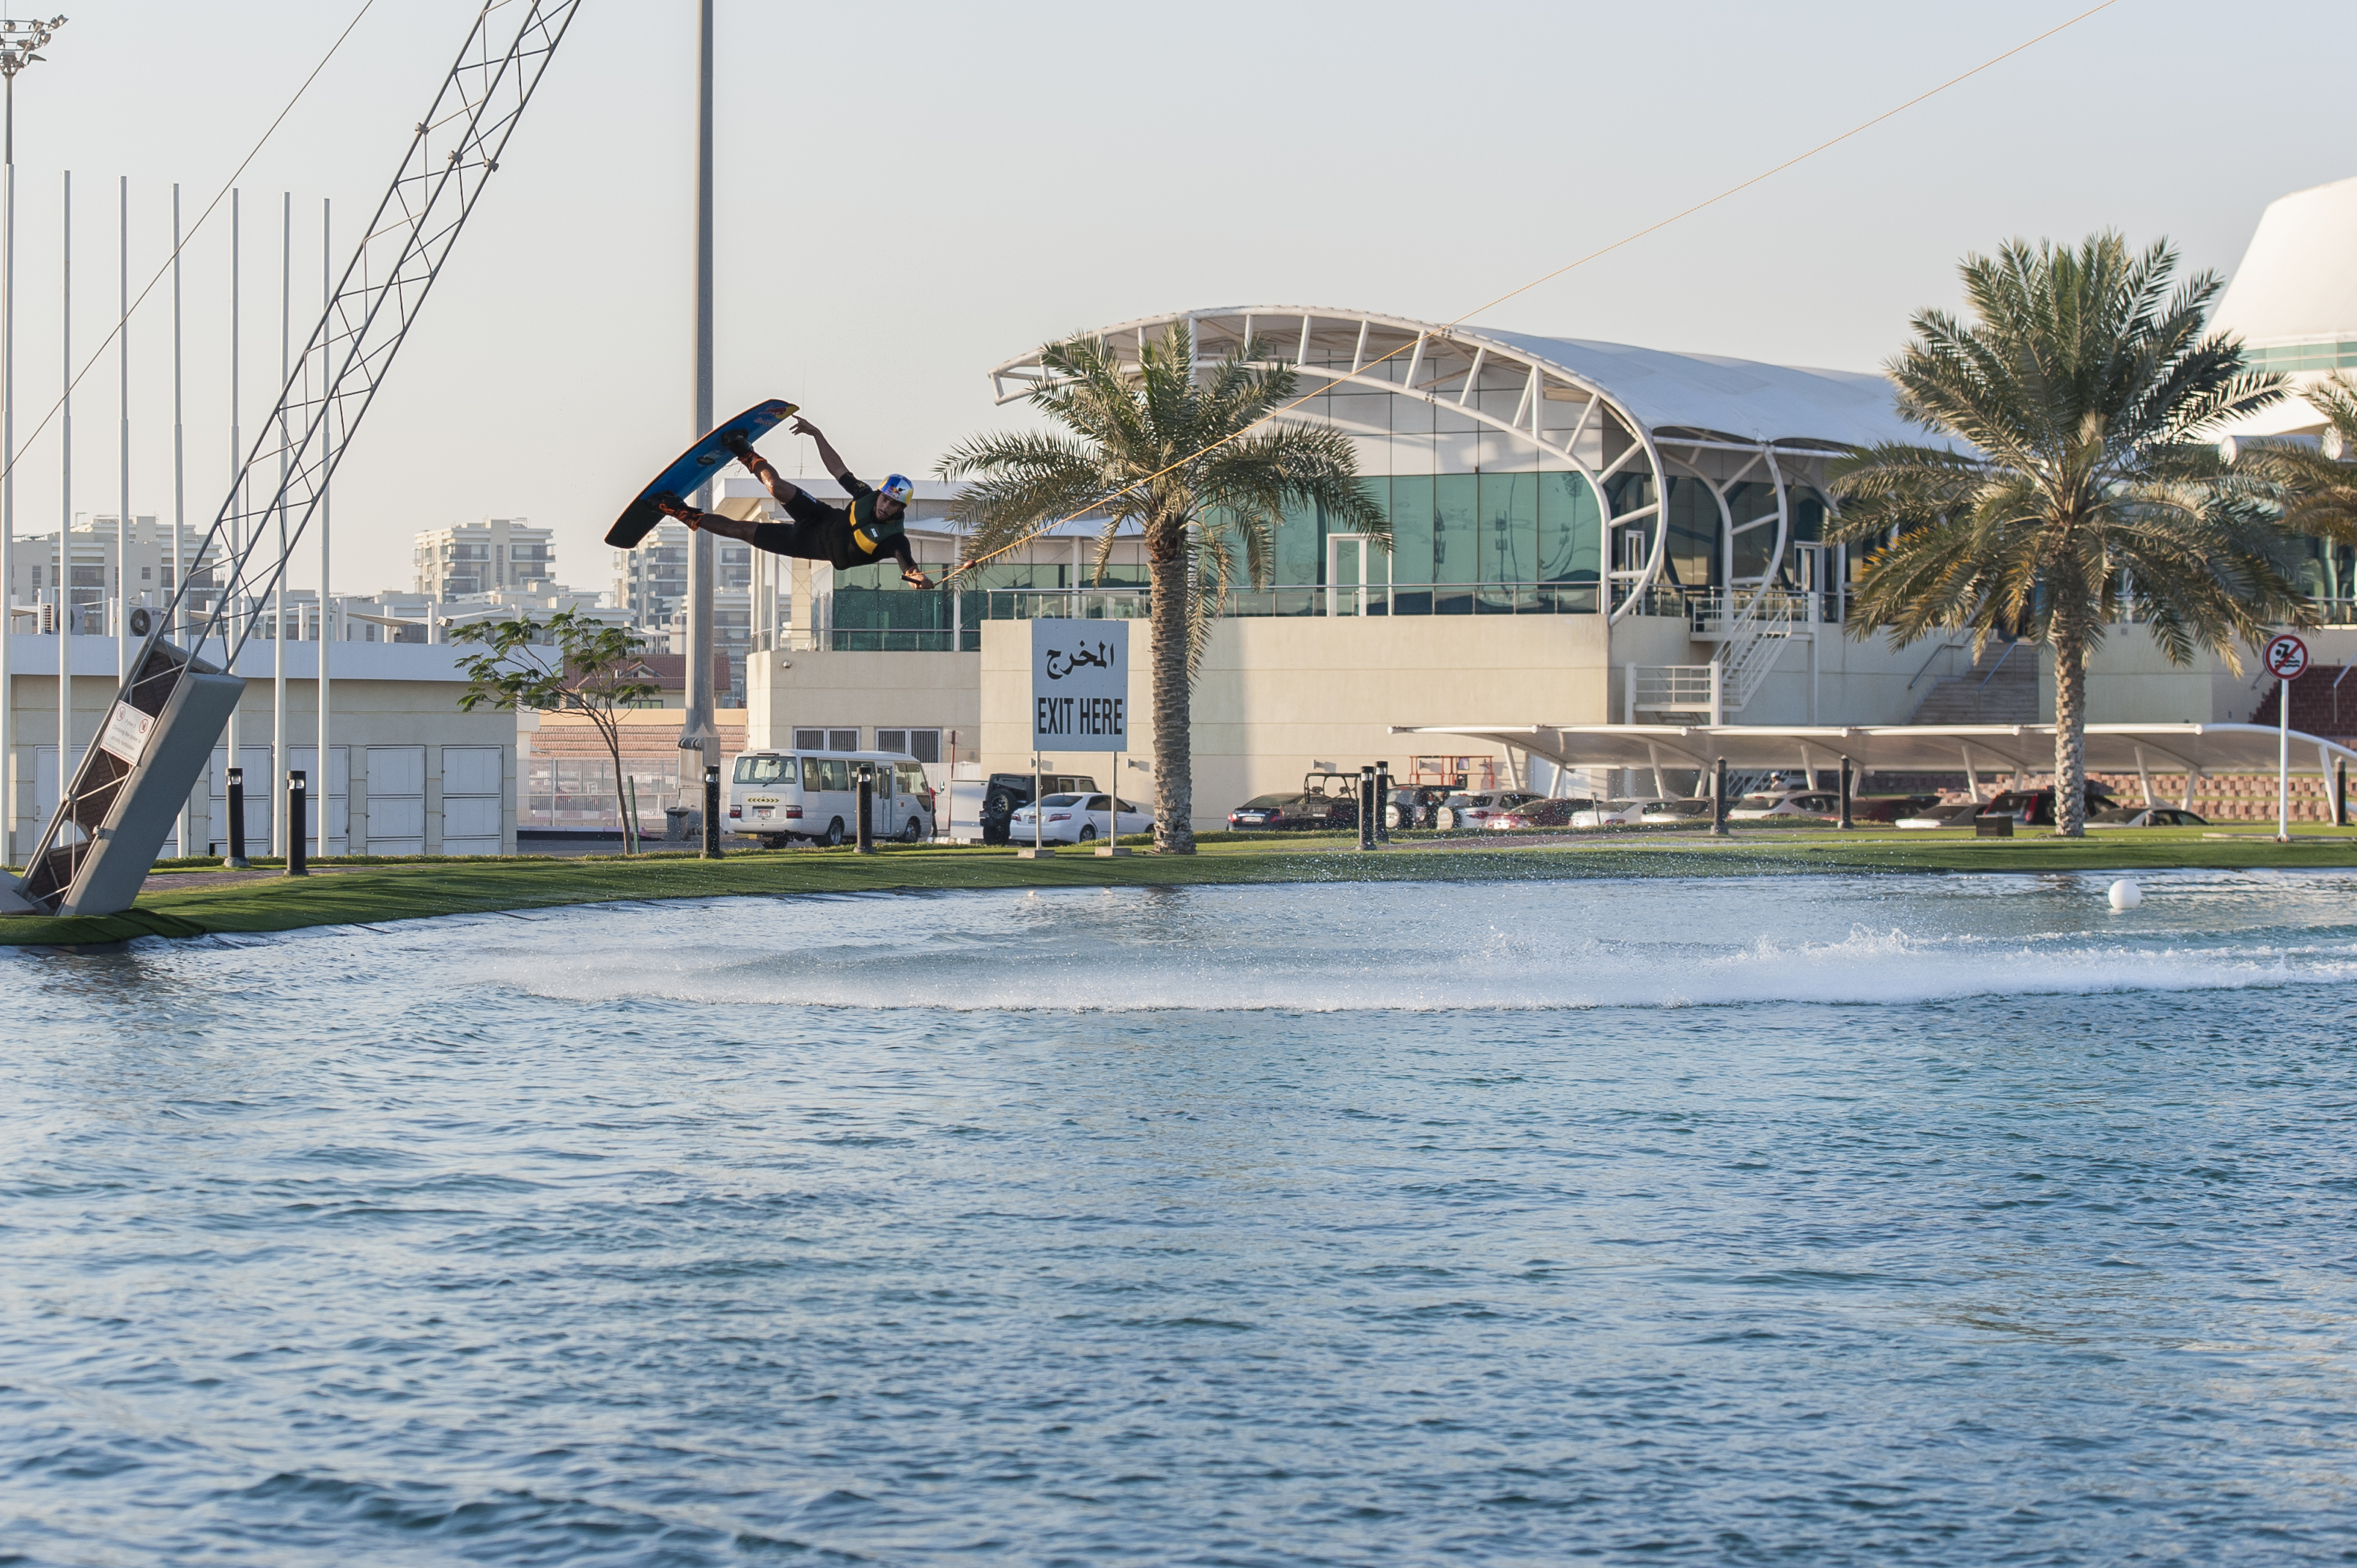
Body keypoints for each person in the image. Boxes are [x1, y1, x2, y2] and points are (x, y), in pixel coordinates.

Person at [654, 415, 932, 588]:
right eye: (884, 499)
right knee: (776, 487)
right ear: (881, 493)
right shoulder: (865, 495)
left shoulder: (896, 540)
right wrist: (817, 434)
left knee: (743, 530)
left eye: (892, 505)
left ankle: (679, 511)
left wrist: (919, 580)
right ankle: (744, 451)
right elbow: (838, 469)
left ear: (901, 509)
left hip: (808, 545)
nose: (884, 506)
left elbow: (910, 569)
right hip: (821, 517)